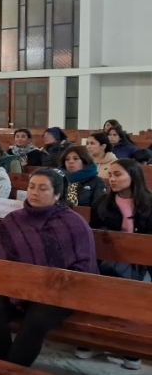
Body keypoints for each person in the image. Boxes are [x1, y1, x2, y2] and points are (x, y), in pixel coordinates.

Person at [0, 168, 98, 367]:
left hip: (59, 291)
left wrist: (48, 283)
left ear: (57, 194)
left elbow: (84, 267)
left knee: (37, 318)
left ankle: (12, 370)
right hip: (16, 286)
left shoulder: (73, 223)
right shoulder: (14, 219)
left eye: (43, 188)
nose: (35, 192)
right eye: (31, 187)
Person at [84, 158, 151, 370]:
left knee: (133, 290)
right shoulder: (102, 203)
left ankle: (130, 347)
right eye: (110, 175)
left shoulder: (149, 203)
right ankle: (94, 339)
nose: (112, 179)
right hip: (109, 261)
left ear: (134, 177)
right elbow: (94, 237)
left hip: (142, 264)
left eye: (118, 174)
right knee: (98, 286)